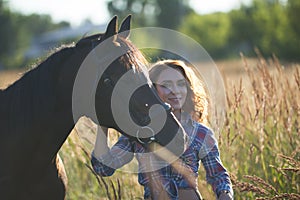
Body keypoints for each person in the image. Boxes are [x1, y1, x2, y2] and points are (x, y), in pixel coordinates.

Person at [91, 59, 233, 200]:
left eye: (181, 84)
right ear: (151, 90)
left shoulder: (201, 133)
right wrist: (103, 123)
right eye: (166, 85)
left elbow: (218, 176)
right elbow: (103, 168)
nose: (175, 91)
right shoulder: (139, 133)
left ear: (188, 89)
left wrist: (225, 194)